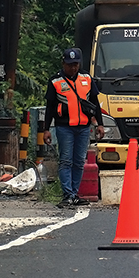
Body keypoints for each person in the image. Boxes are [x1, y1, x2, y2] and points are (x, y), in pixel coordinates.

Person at [44, 47, 105, 207]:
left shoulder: (86, 78)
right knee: (65, 161)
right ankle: (67, 194)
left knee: (79, 161)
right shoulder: (55, 81)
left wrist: (100, 124)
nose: (73, 68)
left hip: (84, 127)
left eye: (76, 64)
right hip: (64, 127)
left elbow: (95, 103)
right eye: (70, 65)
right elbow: (50, 107)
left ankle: (75, 194)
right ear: (63, 63)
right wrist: (45, 129)